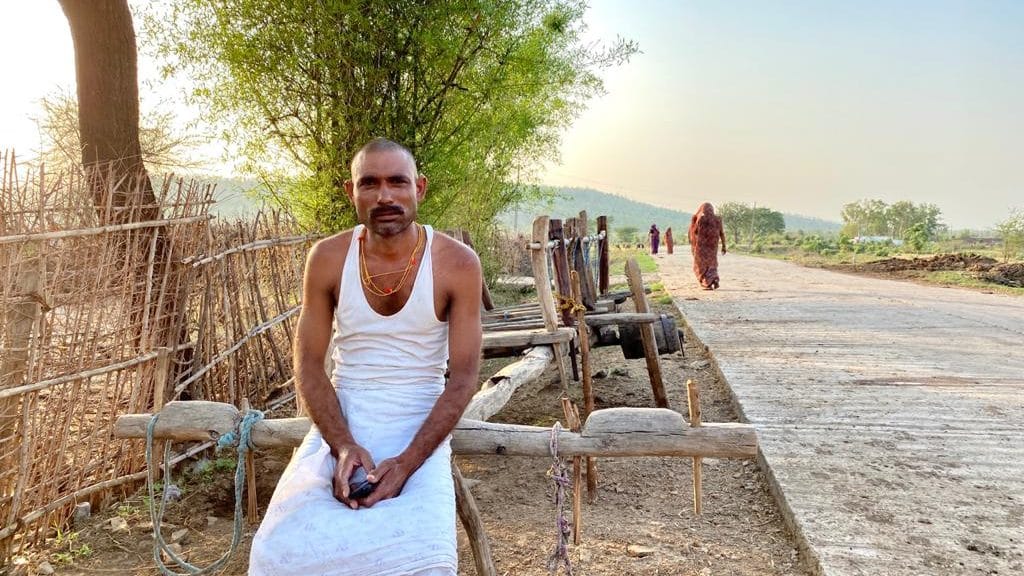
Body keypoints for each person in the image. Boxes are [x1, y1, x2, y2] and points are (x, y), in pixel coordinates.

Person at [249, 138, 483, 575]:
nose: (385, 196)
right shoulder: (327, 258)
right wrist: (342, 447)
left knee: (423, 562)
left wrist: (409, 463)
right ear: (350, 192)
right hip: (345, 419)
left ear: (420, 188)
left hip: (421, 420)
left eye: (398, 181)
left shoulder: (457, 263)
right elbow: (309, 365)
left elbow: (465, 375)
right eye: (369, 183)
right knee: (277, 555)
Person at [688, 203, 727, 290]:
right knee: (711, 263)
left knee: (701, 264)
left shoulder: (700, 219)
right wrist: (724, 245)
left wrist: (694, 221)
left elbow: (694, 232)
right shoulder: (718, 219)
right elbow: (722, 233)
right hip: (713, 247)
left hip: (701, 247)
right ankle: (713, 278)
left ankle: (707, 283)